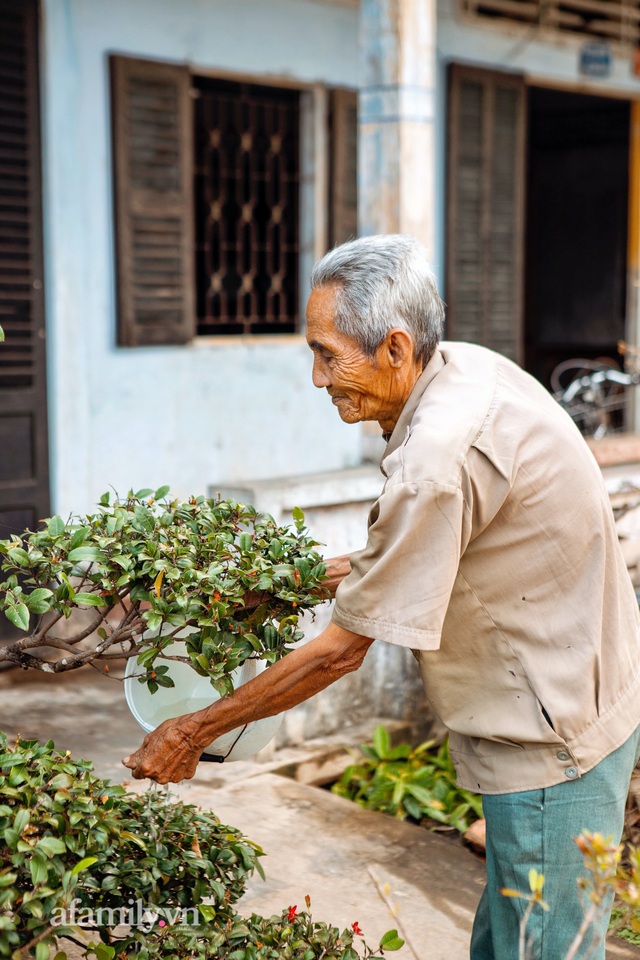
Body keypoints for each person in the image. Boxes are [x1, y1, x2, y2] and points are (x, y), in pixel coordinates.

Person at [123, 234, 640, 960]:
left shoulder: (438, 456)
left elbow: (340, 651)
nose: (315, 377)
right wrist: (277, 586)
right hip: (583, 694)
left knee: (542, 950)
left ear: (396, 348)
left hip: (555, 741)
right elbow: (407, 555)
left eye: (328, 354)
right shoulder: (464, 367)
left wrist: (191, 731)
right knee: (508, 944)